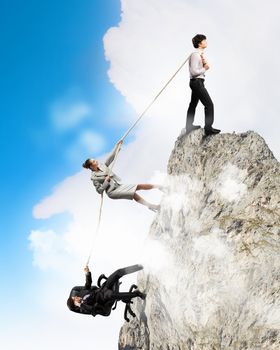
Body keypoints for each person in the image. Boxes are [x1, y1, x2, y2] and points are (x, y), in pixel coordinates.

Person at [82, 140, 162, 211]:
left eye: (95, 160)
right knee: (133, 194)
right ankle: (152, 206)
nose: (97, 161)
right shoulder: (94, 178)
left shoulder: (102, 166)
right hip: (112, 192)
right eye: (94, 162)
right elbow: (99, 191)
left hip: (119, 186)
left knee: (139, 186)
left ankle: (160, 186)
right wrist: (106, 181)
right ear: (91, 166)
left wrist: (117, 146)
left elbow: (111, 157)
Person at [67, 264, 146, 319]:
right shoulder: (84, 308)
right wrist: (81, 305)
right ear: (75, 304)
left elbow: (88, 284)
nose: (76, 296)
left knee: (118, 273)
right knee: (112, 295)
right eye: (74, 299)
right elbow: (93, 309)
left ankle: (140, 266)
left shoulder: (82, 293)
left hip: (102, 288)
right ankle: (137, 294)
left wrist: (87, 273)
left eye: (74, 296)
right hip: (104, 298)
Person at [186, 34, 221, 136]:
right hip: (196, 82)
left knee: (193, 104)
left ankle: (189, 126)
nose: (206, 42)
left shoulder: (199, 55)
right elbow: (193, 72)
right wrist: (205, 68)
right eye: (204, 40)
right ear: (199, 43)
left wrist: (203, 66)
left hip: (198, 82)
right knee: (209, 104)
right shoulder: (195, 55)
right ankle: (208, 128)